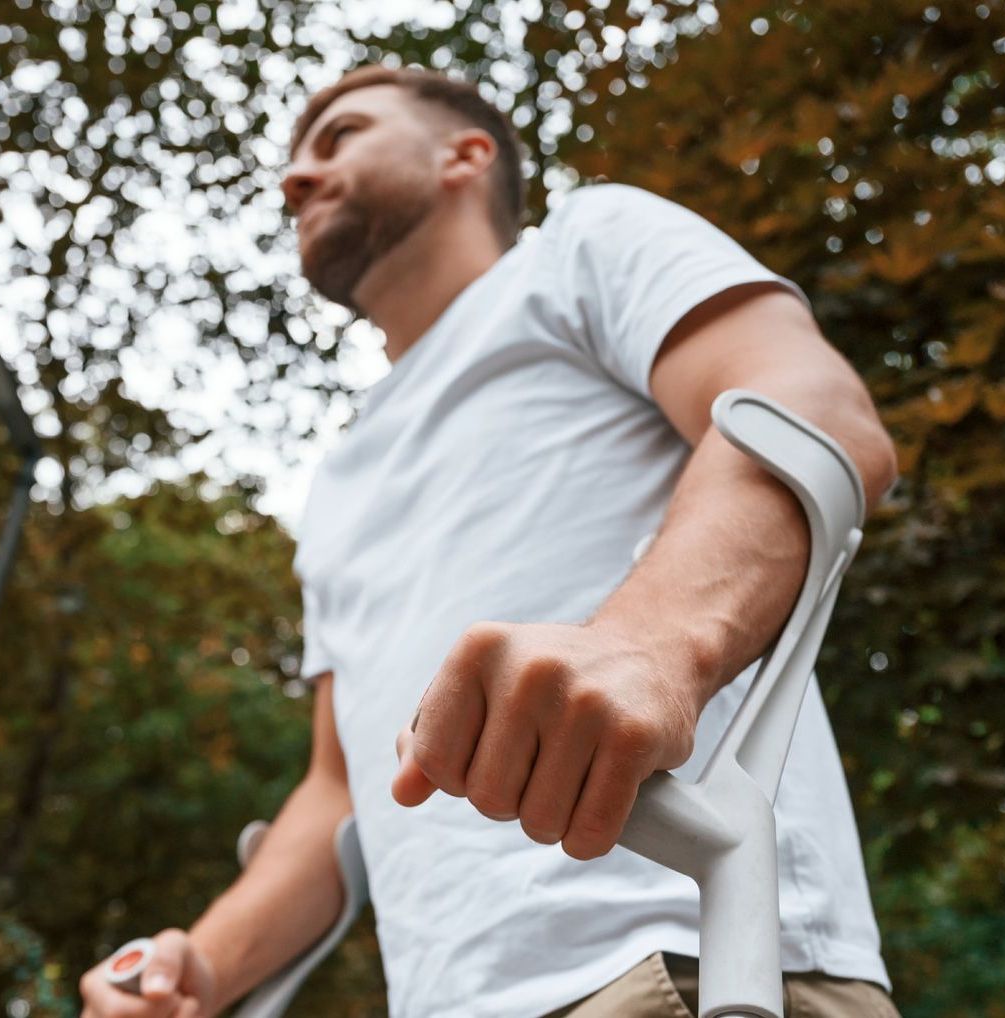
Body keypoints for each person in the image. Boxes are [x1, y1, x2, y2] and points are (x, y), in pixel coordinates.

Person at [79, 65, 902, 1018]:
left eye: (339, 135)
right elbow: (340, 790)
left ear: (465, 154)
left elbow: (812, 415)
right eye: (294, 159)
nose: (295, 178)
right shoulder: (338, 482)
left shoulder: (581, 250)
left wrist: (653, 646)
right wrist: (203, 968)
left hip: (683, 962)